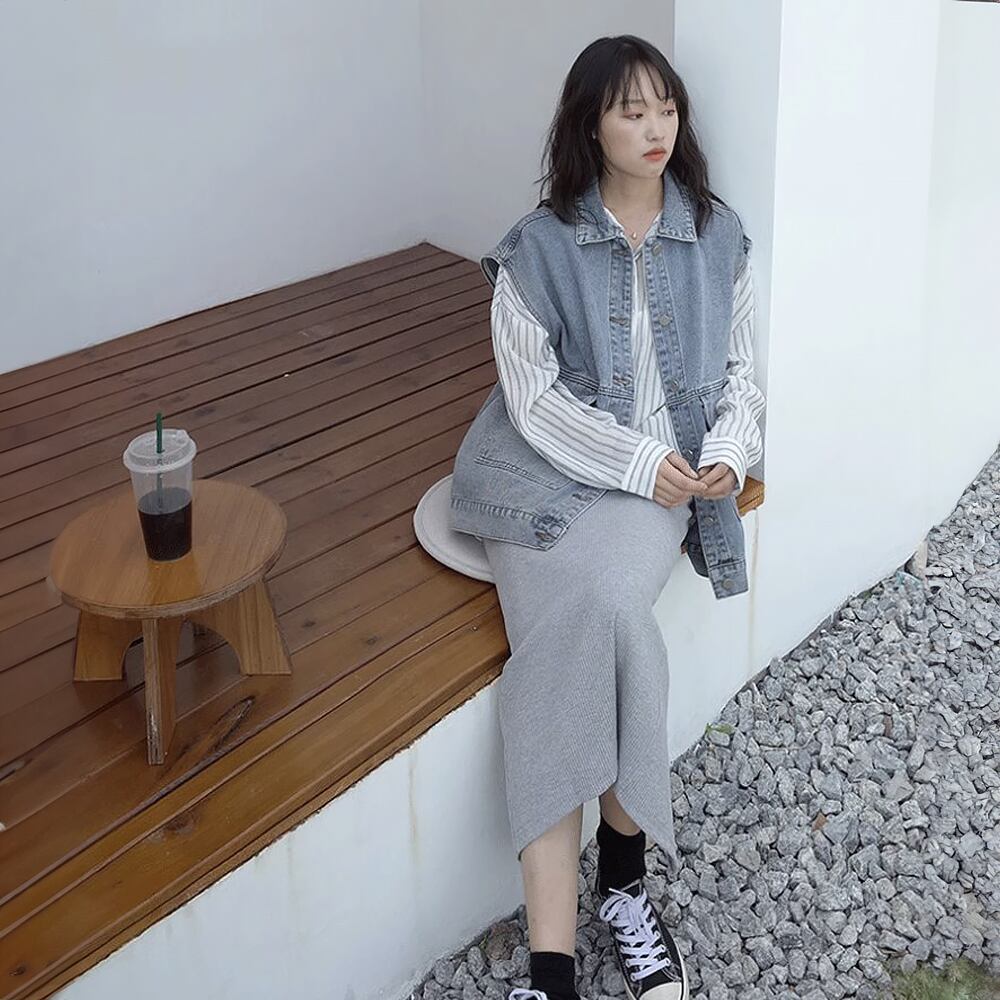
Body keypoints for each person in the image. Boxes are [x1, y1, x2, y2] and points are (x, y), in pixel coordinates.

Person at [453, 34, 765, 1000]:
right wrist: (636, 459)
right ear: (590, 126)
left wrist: (727, 452)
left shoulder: (718, 235)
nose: (654, 127)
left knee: (610, 610)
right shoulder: (536, 247)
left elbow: (743, 375)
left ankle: (575, 941)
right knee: (587, 623)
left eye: (665, 108)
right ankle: (599, 916)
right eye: (631, 111)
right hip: (537, 475)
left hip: (659, 486)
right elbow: (533, 400)